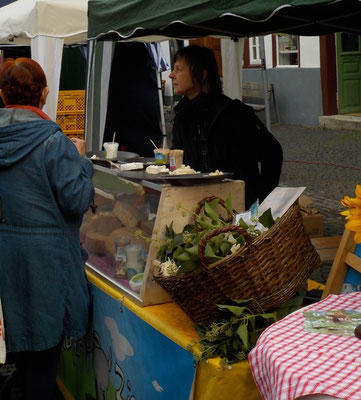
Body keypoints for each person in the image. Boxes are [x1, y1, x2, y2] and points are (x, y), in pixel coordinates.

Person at [0, 58, 95, 399]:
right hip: (48, 268)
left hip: (6, 263)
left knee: (24, 357)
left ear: (2, 95)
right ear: (43, 94)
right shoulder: (54, 142)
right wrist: (81, 159)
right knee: (43, 366)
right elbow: (76, 200)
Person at [169, 45, 283, 209]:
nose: (172, 75)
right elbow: (179, 161)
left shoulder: (234, 113)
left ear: (201, 74)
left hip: (237, 209)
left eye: (178, 69)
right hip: (197, 206)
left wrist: (262, 199)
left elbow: (272, 153)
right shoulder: (182, 116)